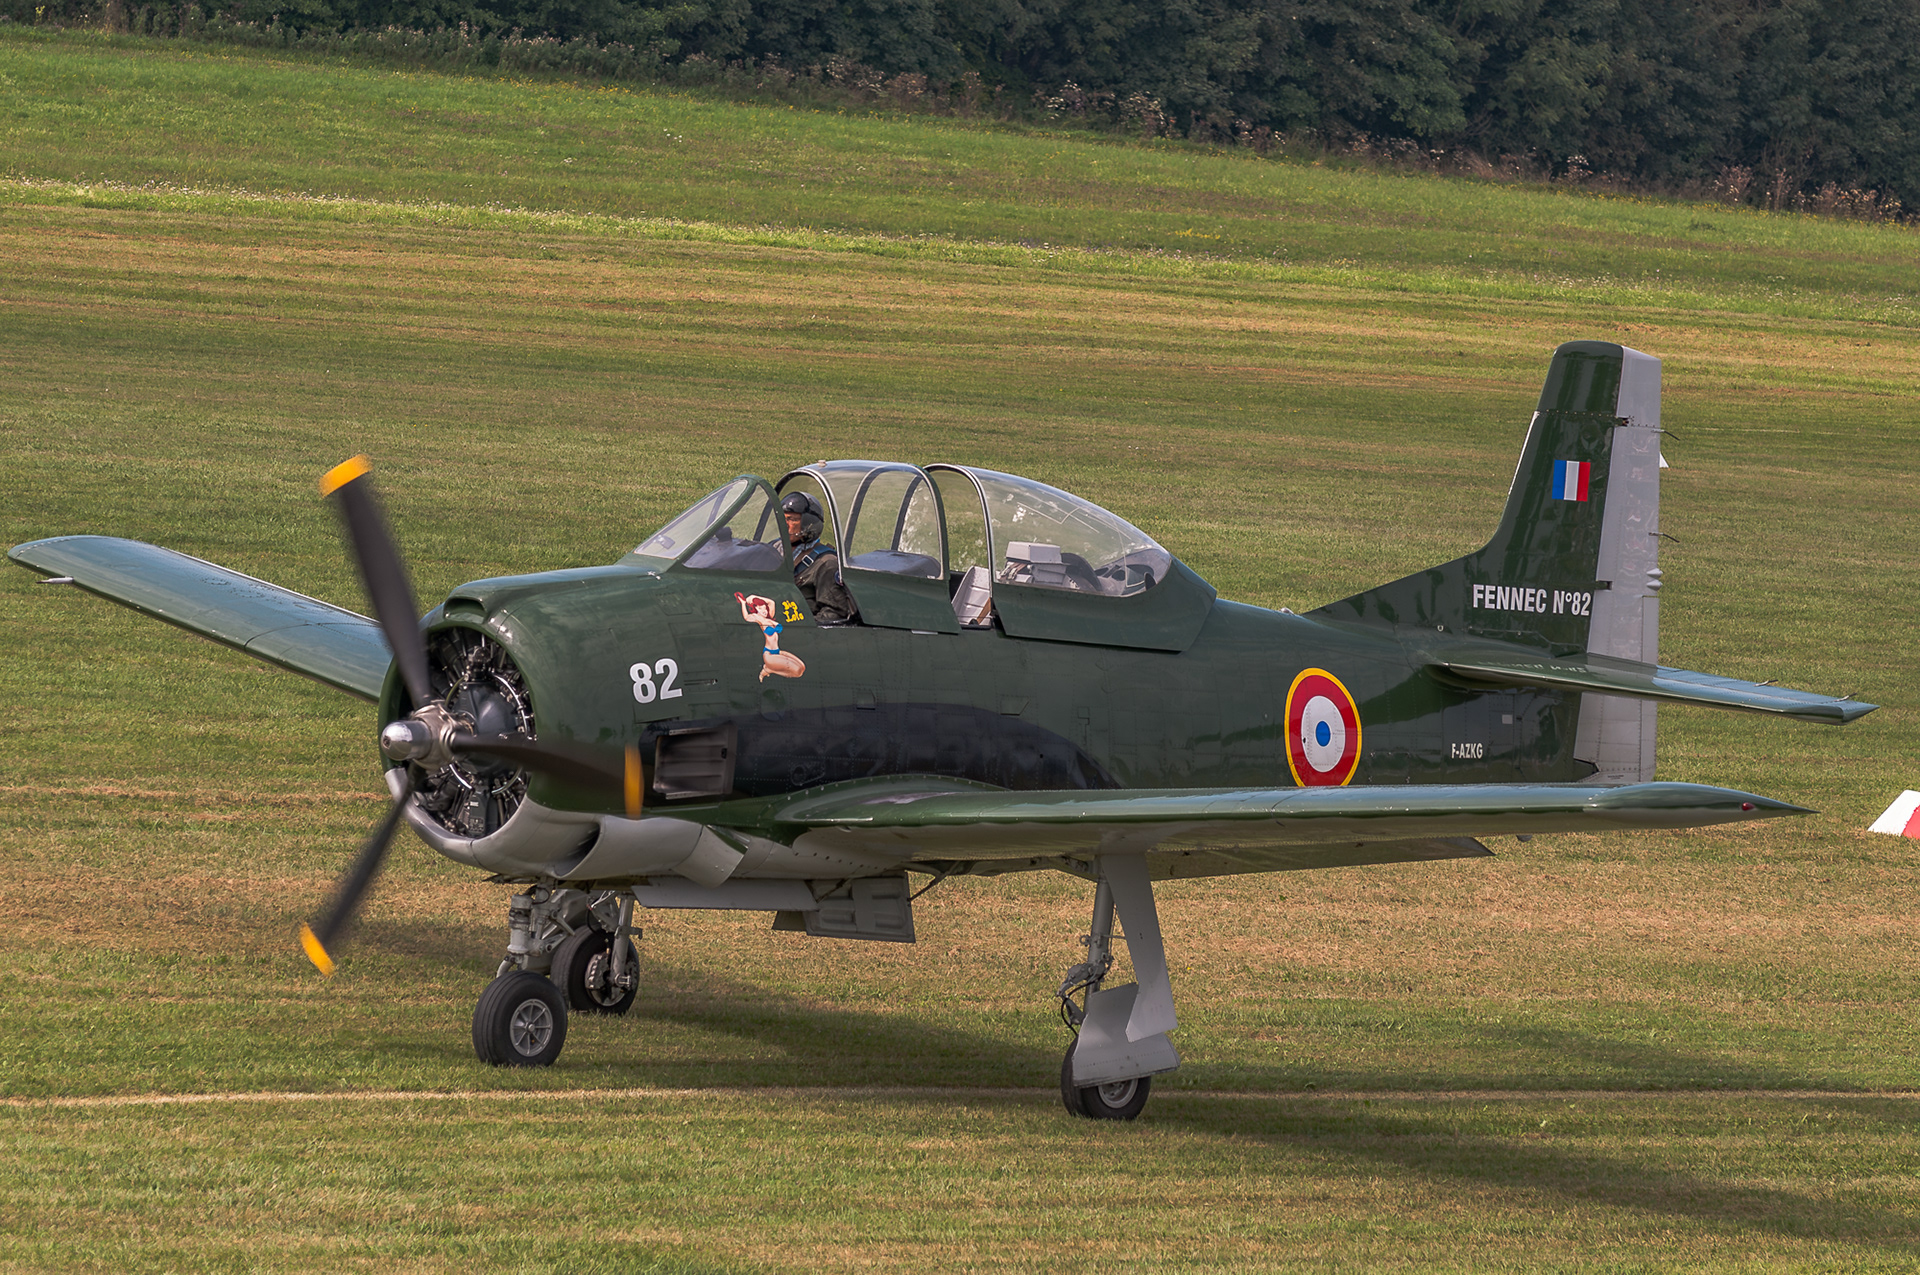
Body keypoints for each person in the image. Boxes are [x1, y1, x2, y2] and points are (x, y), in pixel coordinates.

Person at [780, 491, 860, 625]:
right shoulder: (776, 550)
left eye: (792, 519)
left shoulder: (826, 563)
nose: (785, 524)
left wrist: (800, 627)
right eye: (783, 519)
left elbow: (834, 615)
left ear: (809, 525)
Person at [735, 593, 806, 681]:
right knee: (797, 671)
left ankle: (770, 669)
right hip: (769, 655)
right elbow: (746, 617)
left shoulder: (770, 616)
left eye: (764, 607)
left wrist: (754, 597)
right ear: (755, 609)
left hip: (777, 651)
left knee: (802, 667)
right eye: (760, 608)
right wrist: (743, 603)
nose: (764, 610)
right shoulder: (758, 619)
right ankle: (769, 670)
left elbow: (771, 602)